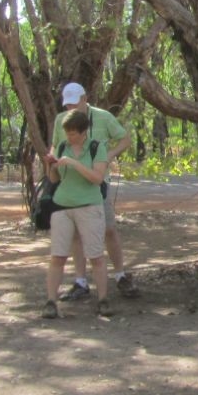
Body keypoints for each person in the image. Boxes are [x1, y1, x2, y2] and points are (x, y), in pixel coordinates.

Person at [50, 82, 139, 302]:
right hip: (70, 186)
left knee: (108, 229)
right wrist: (51, 160)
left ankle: (119, 275)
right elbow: (55, 145)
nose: (71, 108)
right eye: (68, 104)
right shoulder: (61, 120)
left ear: (85, 98)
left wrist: (109, 156)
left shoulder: (102, 117)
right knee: (76, 235)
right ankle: (80, 281)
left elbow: (125, 138)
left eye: (75, 103)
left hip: (97, 184)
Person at [41, 110, 112, 319]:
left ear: (83, 132)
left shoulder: (96, 148)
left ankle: (103, 299)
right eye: (67, 133)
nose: (69, 137)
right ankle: (50, 301)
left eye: (73, 134)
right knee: (58, 255)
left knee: (96, 256)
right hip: (62, 206)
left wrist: (74, 163)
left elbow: (97, 178)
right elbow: (54, 180)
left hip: (89, 206)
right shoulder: (63, 147)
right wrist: (51, 165)